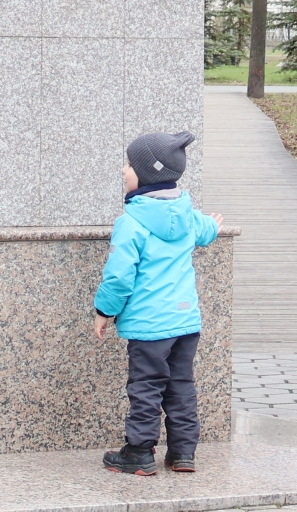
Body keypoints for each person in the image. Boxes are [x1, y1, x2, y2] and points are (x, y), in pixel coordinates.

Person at [92, 131, 224, 476]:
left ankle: (139, 451)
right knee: (181, 385)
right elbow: (205, 230)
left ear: (147, 174)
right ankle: (182, 452)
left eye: (129, 165)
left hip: (150, 326)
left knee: (146, 387)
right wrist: (214, 226)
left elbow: (119, 277)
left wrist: (104, 311)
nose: (124, 170)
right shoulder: (186, 214)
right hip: (185, 323)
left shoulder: (131, 223)